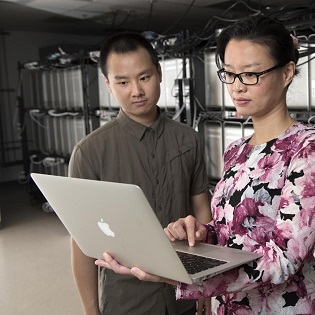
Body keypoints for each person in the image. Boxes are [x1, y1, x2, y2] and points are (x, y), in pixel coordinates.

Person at [96, 16, 315, 315]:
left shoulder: (310, 149)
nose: (237, 87)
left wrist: (182, 276)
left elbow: (284, 260)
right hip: (229, 308)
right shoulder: (236, 151)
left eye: (250, 74)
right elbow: (231, 234)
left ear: (287, 72)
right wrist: (200, 233)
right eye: (229, 74)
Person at [68, 32, 212, 315]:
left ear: (159, 73)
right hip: (126, 300)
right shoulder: (90, 152)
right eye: (122, 82)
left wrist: (206, 284)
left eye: (144, 77)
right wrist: (90, 310)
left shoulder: (189, 139)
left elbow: (201, 209)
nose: (136, 90)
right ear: (109, 85)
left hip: (182, 289)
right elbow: (81, 241)